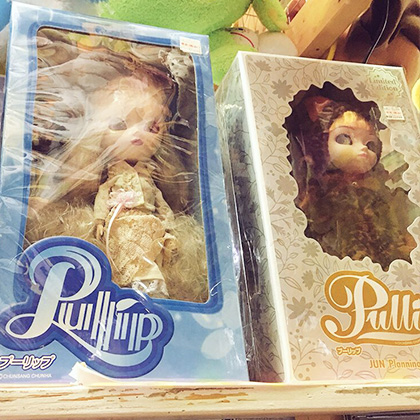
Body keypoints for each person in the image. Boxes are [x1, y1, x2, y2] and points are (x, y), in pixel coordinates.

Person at [286, 89, 420, 270]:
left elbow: (391, 223)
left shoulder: (377, 189)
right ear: (321, 146)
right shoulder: (322, 188)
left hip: (386, 261)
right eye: (344, 138)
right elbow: (309, 218)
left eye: (370, 144)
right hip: (339, 260)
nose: (363, 149)